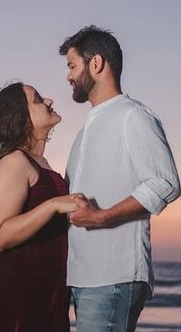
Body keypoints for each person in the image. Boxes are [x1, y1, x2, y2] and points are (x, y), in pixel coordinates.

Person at [59, 25, 181, 332]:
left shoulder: (133, 115)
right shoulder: (84, 132)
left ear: (96, 64)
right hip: (81, 277)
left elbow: (165, 182)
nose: (68, 76)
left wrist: (101, 217)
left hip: (113, 276)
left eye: (72, 66)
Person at [0, 82, 82, 332]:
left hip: (46, 293)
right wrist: (52, 205)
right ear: (21, 118)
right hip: (16, 293)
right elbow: (0, 236)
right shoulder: (14, 161)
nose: (49, 100)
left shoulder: (42, 163)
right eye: (37, 99)